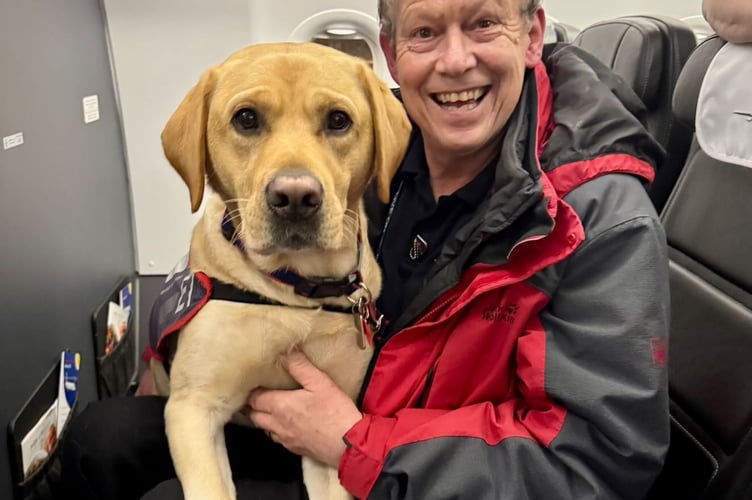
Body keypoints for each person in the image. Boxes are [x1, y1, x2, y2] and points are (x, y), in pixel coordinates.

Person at [61, 0, 671, 498]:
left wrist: (356, 442)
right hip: (346, 416)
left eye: (484, 23)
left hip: (435, 468)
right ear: (392, 51)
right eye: (425, 32)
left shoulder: (599, 219)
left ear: (533, 34)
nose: (456, 61)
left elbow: (598, 464)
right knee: (100, 436)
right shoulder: (384, 140)